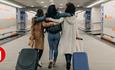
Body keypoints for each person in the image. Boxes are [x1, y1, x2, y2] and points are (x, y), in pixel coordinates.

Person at [59, 3, 82, 70]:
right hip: (72, 36)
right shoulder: (75, 18)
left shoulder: (64, 17)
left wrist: (50, 20)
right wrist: (77, 35)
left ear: (67, 8)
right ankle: (69, 61)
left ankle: (67, 61)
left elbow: (58, 21)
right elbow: (76, 28)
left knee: (66, 49)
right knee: (71, 49)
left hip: (65, 35)